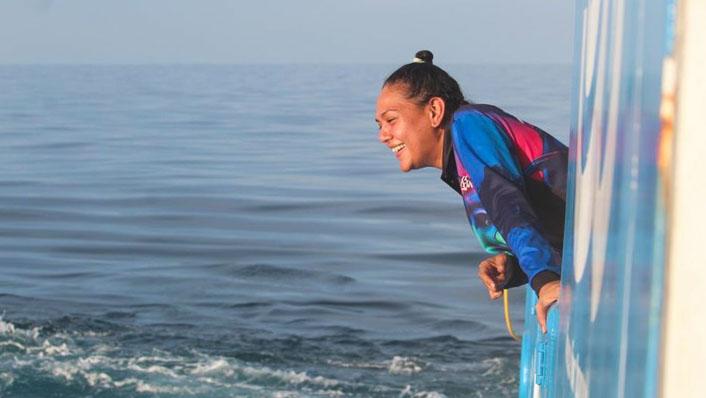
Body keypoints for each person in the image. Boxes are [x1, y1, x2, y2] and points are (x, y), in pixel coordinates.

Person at [375, 50, 567, 333]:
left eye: (391, 120)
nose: (382, 135)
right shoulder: (460, 161)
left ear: (434, 111)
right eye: (379, 126)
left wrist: (546, 280)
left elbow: (508, 204)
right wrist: (514, 268)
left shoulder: (468, 123)